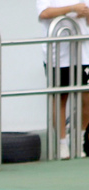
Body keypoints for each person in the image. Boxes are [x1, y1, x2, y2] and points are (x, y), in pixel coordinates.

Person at [37, 1, 89, 158]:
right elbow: (44, 13)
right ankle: (62, 144)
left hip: (84, 54)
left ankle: (79, 138)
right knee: (60, 98)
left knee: (87, 99)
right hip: (58, 55)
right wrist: (72, 9)